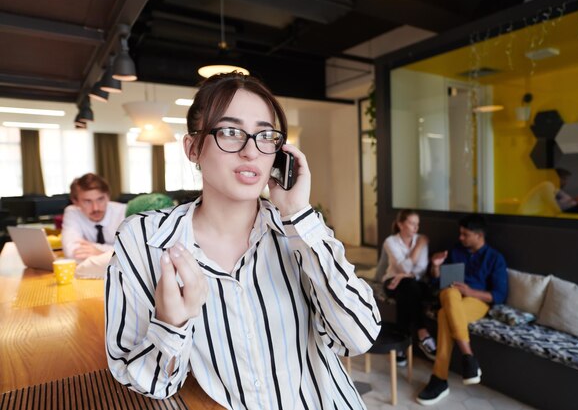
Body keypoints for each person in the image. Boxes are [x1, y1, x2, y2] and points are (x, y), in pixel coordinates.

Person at [105, 72, 381, 410]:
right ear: (193, 148)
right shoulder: (143, 240)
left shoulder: (299, 231)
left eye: (265, 136)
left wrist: (298, 214)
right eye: (231, 132)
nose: (251, 151)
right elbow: (145, 381)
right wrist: (171, 323)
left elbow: (358, 336)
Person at [417, 214, 507, 406]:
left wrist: (470, 291)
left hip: (477, 301)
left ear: (478, 235)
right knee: (449, 294)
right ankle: (468, 356)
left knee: (443, 314)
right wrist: (435, 266)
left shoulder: (495, 258)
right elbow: (436, 281)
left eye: (465, 234)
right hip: (451, 297)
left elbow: (499, 295)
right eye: (460, 234)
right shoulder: (455, 251)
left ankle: (439, 379)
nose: (461, 238)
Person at [382, 209, 436, 364]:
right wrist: (418, 246)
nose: (416, 228)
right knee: (409, 288)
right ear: (400, 224)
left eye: (417, 224)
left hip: (413, 284)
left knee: (408, 291)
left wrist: (404, 275)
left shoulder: (421, 239)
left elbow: (421, 269)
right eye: (412, 223)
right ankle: (422, 332)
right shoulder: (390, 242)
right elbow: (405, 268)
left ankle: (401, 343)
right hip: (392, 282)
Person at [61, 173, 126, 260]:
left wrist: (100, 252)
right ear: (75, 202)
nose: (95, 208)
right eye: (87, 201)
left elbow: (133, 252)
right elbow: (71, 251)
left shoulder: (124, 212)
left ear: (108, 196)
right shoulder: (72, 212)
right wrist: (114, 252)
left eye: (100, 199)